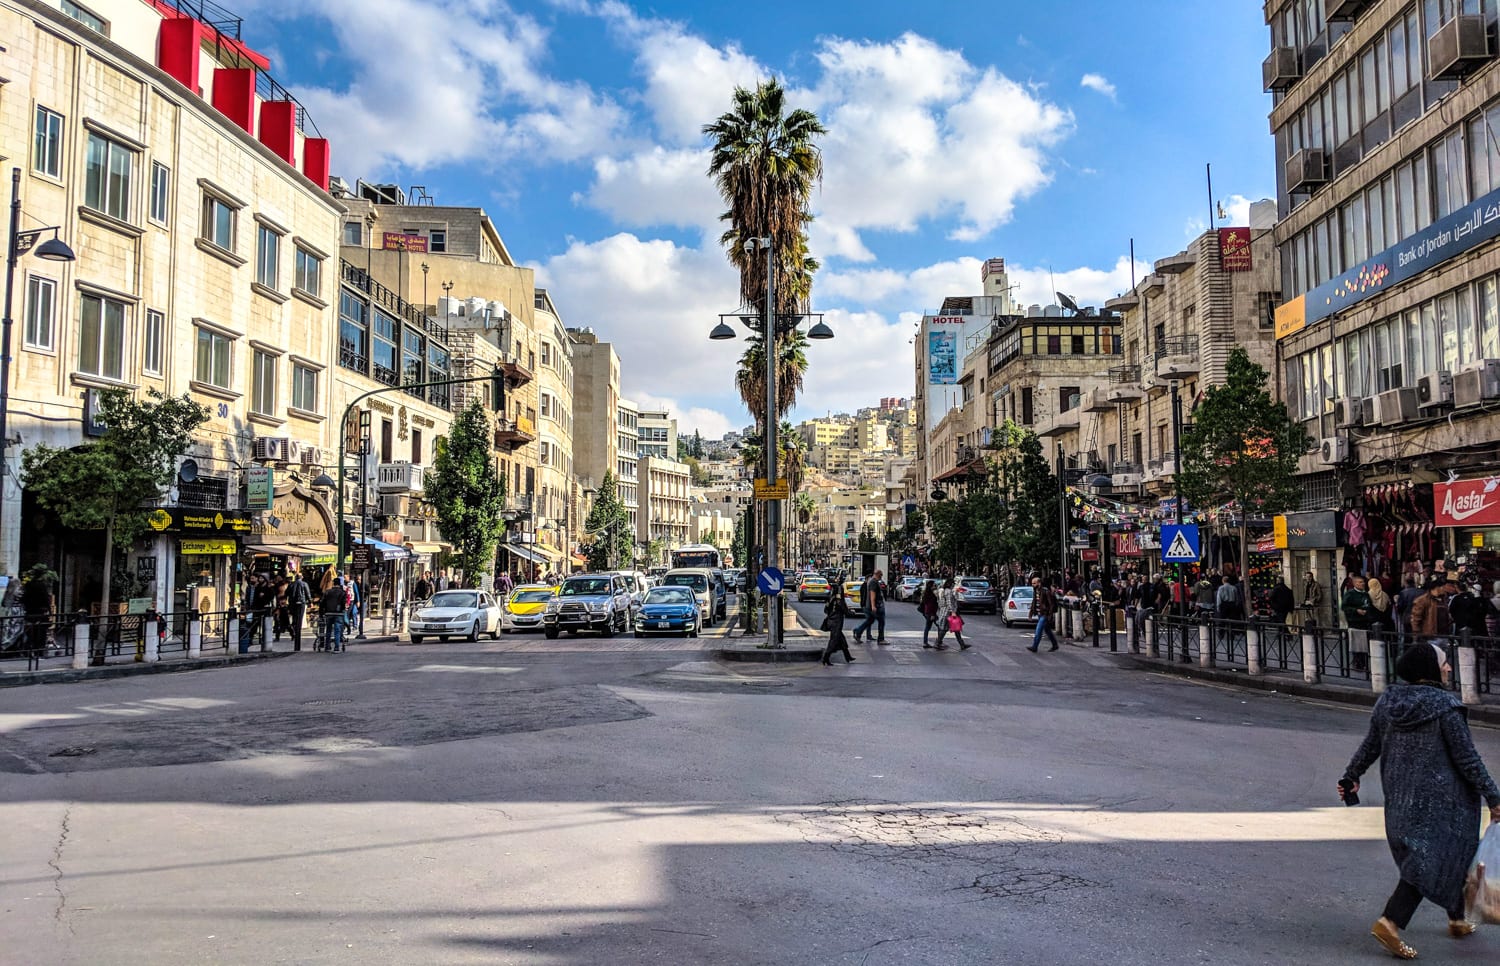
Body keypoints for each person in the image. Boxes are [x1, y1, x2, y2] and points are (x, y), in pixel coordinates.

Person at [1340, 643, 1500, 960]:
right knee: (1425, 866)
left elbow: (1371, 745)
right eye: (1444, 663)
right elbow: (1468, 760)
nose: (1449, 668)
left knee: (1452, 855)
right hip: (1444, 805)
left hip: (1400, 801)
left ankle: (1457, 918)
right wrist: (1494, 797)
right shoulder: (1445, 708)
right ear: (1430, 669)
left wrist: (1351, 775)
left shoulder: (1389, 702)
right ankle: (1390, 921)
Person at [1409, 578, 1454, 646]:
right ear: (1437, 588)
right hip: (1430, 637)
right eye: (1442, 587)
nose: (1444, 589)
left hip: (1444, 635)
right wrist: (1416, 636)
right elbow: (1415, 619)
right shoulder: (1422, 600)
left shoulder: (1443, 599)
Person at [820, 589, 855, 665]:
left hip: (830, 621)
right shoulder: (840, 601)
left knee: (842, 639)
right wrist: (852, 612)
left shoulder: (831, 599)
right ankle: (825, 658)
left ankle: (848, 657)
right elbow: (846, 611)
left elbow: (825, 610)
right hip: (836, 623)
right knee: (833, 641)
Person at [852, 569, 887, 645]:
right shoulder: (873, 582)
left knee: (869, 621)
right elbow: (872, 594)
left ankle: (858, 632)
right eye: (881, 575)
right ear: (878, 574)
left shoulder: (871, 581)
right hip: (877, 606)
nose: (881, 577)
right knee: (881, 622)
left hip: (872, 606)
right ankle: (881, 639)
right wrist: (873, 606)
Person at [934, 576, 968, 651]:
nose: (953, 585)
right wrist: (952, 611)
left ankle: (962, 644)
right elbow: (949, 602)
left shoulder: (945, 591)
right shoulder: (948, 591)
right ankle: (938, 643)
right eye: (953, 583)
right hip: (948, 613)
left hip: (947, 612)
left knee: (956, 628)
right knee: (945, 629)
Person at [1026, 575, 1057, 653]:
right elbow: (1034, 602)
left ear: (1039, 583)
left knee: (1038, 630)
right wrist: (1031, 613)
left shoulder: (1045, 591)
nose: (1033, 585)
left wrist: (1050, 615)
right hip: (1040, 613)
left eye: (1034, 583)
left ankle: (1034, 646)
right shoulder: (1035, 591)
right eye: (1032, 583)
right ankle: (1055, 644)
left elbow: (1051, 604)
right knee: (1047, 630)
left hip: (1045, 614)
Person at [320, 577, 349, 652]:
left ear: (333, 583)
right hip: (338, 613)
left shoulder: (327, 592)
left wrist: (321, 613)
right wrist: (343, 609)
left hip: (328, 613)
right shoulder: (342, 592)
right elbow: (343, 603)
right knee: (337, 630)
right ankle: (336, 647)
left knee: (328, 630)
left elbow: (322, 603)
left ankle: (327, 646)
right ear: (339, 584)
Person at [286, 570, 311, 652]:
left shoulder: (291, 584)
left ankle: (294, 627)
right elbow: (307, 593)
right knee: (299, 619)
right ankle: (297, 631)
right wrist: (310, 601)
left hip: (292, 603)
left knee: (295, 617)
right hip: (301, 602)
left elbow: (286, 593)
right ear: (302, 577)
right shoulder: (304, 584)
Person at [1394, 575, 1423, 646]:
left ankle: (1408, 652)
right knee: (1420, 636)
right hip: (1420, 616)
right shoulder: (1422, 592)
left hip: (1407, 617)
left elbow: (1400, 606)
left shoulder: (1403, 593)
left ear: (1406, 583)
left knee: (1408, 637)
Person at [918, 581, 940, 649]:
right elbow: (930, 606)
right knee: (940, 627)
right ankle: (938, 642)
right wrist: (932, 614)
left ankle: (926, 642)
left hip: (927, 613)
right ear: (930, 586)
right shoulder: (931, 595)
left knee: (928, 627)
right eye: (934, 585)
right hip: (930, 613)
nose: (935, 586)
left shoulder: (926, 594)